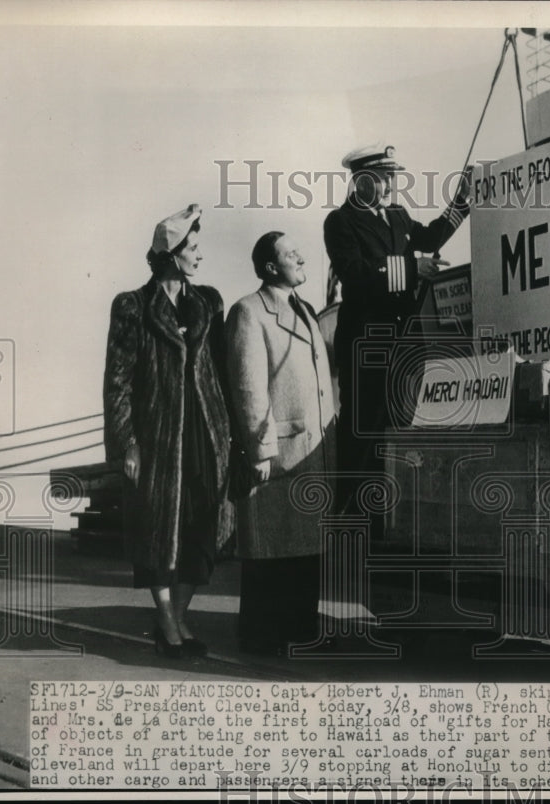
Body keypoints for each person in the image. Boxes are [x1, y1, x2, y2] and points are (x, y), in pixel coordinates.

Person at [103, 203, 232, 659]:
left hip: (204, 434)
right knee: (156, 532)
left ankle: (178, 615)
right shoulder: (132, 307)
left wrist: (231, 434)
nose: (200, 255)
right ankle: (167, 623)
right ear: (172, 254)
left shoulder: (209, 303)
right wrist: (127, 445)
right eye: (192, 248)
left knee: (204, 528)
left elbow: (224, 371)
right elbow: (117, 382)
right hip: (156, 440)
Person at [323, 144, 471, 516]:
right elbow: (354, 275)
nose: (391, 184)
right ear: (360, 181)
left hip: (404, 344)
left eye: (393, 176)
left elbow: (432, 238)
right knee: (364, 435)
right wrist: (411, 269)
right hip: (367, 345)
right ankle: (353, 526)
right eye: (384, 177)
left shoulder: (398, 215)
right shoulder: (340, 222)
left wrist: (461, 201)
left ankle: (390, 524)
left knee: (399, 430)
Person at [226, 231, 336, 654]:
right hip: (277, 454)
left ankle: (301, 630)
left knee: (304, 549)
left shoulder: (306, 310)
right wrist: (259, 450)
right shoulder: (248, 313)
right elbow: (249, 388)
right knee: (271, 550)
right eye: (292, 254)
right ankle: (262, 639)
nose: (301, 258)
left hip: (312, 453)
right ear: (271, 267)